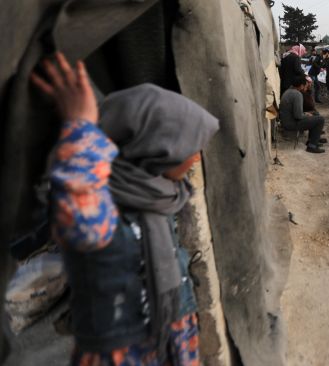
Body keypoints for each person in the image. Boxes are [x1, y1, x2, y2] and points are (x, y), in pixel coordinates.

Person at [30, 52, 220, 365]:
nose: (197, 158)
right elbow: (84, 227)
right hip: (122, 352)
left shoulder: (161, 193)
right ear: (156, 150)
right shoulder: (98, 198)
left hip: (173, 336)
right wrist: (81, 128)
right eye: (190, 148)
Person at [280, 76, 326, 153]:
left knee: (314, 114)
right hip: (291, 123)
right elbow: (298, 116)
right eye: (305, 85)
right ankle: (312, 146)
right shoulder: (297, 94)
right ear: (301, 85)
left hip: (286, 121)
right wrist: (306, 115)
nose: (305, 87)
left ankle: (311, 141)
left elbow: (296, 112)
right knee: (320, 119)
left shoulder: (288, 91)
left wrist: (306, 114)